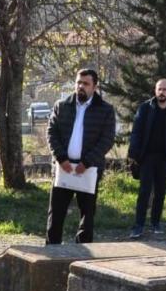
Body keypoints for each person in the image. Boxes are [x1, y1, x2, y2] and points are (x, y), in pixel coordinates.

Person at [46, 68, 116, 244]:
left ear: (95, 86)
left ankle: (82, 255)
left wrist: (87, 162)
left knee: (87, 215)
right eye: (78, 82)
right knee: (56, 214)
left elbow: (107, 140)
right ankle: (52, 251)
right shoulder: (62, 106)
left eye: (85, 83)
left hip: (89, 169)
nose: (81, 87)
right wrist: (61, 158)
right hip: (64, 167)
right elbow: (51, 133)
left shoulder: (105, 110)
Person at [127, 78, 166, 238]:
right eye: (159, 89)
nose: (162, 92)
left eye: (165, 89)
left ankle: (155, 223)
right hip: (147, 156)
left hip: (165, 157)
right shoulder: (145, 108)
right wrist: (133, 154)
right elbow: (136, 131)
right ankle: (138, 225)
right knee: (144, 191)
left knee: (160, 192)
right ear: (155, 91)